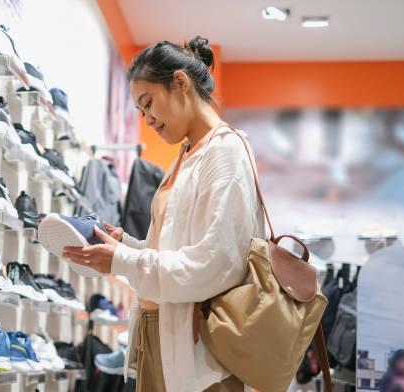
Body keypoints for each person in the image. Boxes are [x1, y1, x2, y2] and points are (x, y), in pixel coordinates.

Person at [62, 36, 265, 392]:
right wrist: (125, 245)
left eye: (148, 104)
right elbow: (173, 253)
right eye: (140, 111)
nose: (147, 119)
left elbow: (215, 265)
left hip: (200, 351)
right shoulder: (187, 154)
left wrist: (122, 260)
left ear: (181, 83)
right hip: (160, 334)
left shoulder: (225, 152)